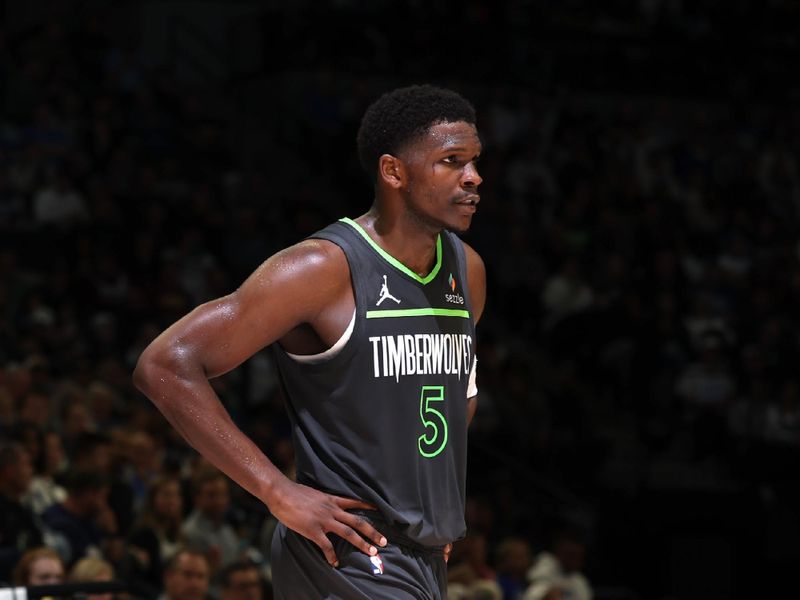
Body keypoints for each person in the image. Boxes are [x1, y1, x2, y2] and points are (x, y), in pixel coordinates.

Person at [133, 83, 486, 599]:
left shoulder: (467, 269)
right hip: (347, 551)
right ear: (394, 172)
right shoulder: (322, 267)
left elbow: (460, 398)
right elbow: (165, 364)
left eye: (475, 161)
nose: (474, 177)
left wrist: (432, 506)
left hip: (425, 554)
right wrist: (277, 491)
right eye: (452, 161)